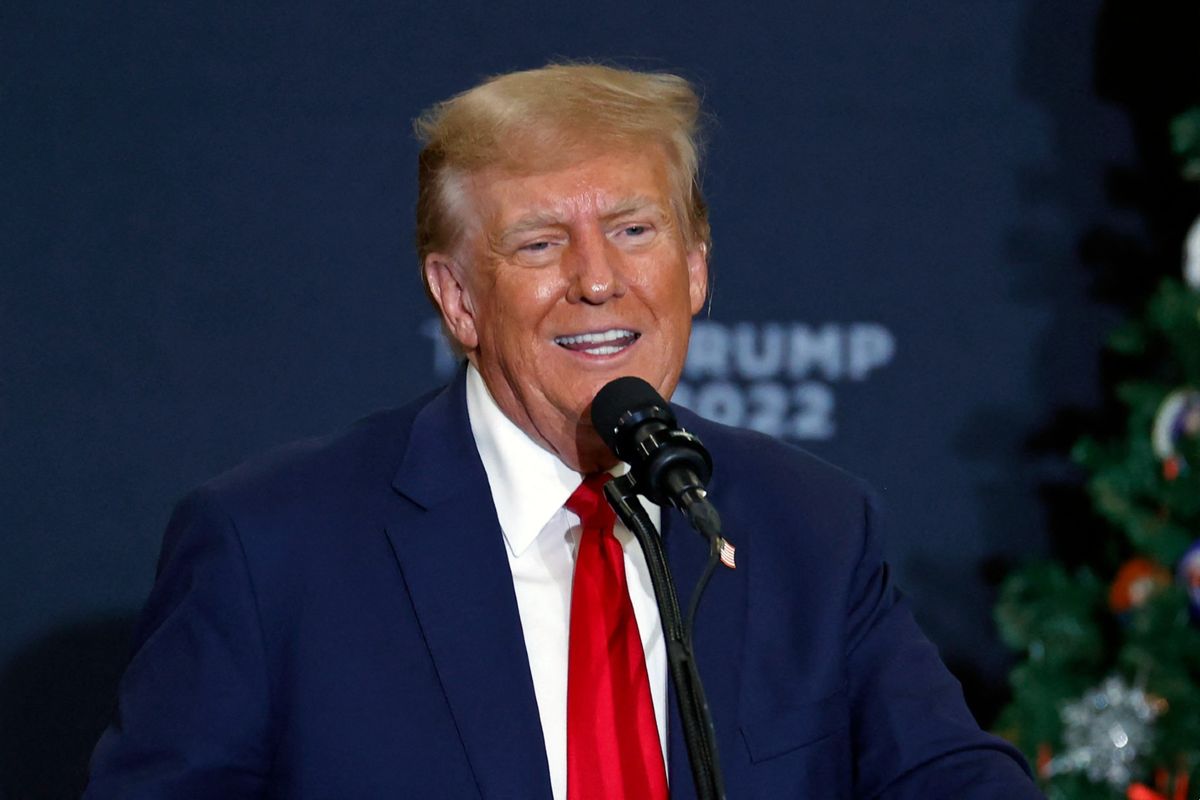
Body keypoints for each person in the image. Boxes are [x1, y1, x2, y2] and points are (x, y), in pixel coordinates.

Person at [85, 63, 1043, 798]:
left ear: (697, 268)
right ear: (457, 298)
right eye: (541, 243)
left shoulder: (812, 526)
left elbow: (950, 780)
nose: (597, 279)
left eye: (634, 230)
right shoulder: (271, 546)